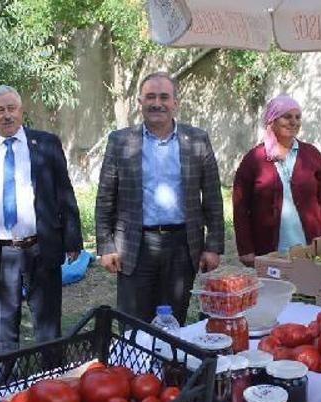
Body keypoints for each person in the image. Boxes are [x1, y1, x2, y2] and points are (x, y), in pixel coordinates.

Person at [95, 71, 224, 325]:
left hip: (182, 246)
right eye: (150, 97)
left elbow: (212, 196)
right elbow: (105, 197)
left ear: (175, 102)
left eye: (164, 97)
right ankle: (132, 366)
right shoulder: (120, 141)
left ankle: (170, 366)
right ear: (140, 102)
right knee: (133, 324)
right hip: (135, 246)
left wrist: (213, 246)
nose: (157, 103)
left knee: (173, 321)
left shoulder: (197, 140)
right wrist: (106, 245)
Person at [0, 85, 83, 354]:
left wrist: (72, 236)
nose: (7, 115)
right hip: (0, 252)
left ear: (21, 111)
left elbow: (64, 190)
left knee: (48, 326)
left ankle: (52, 381)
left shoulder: (46, 143)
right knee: (4, 327)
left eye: (11, 108)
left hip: (42, 246)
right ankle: (7, 388)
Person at [233, 94, 321, 266]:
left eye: (297, 117)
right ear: (272, 120)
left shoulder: (311, 154)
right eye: (287, 116)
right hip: (269, 250)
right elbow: (240, 206)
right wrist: (245, 249)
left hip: (310, 248)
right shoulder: (254, 159)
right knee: (275, 292)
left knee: (309, 291)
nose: (294, 122)